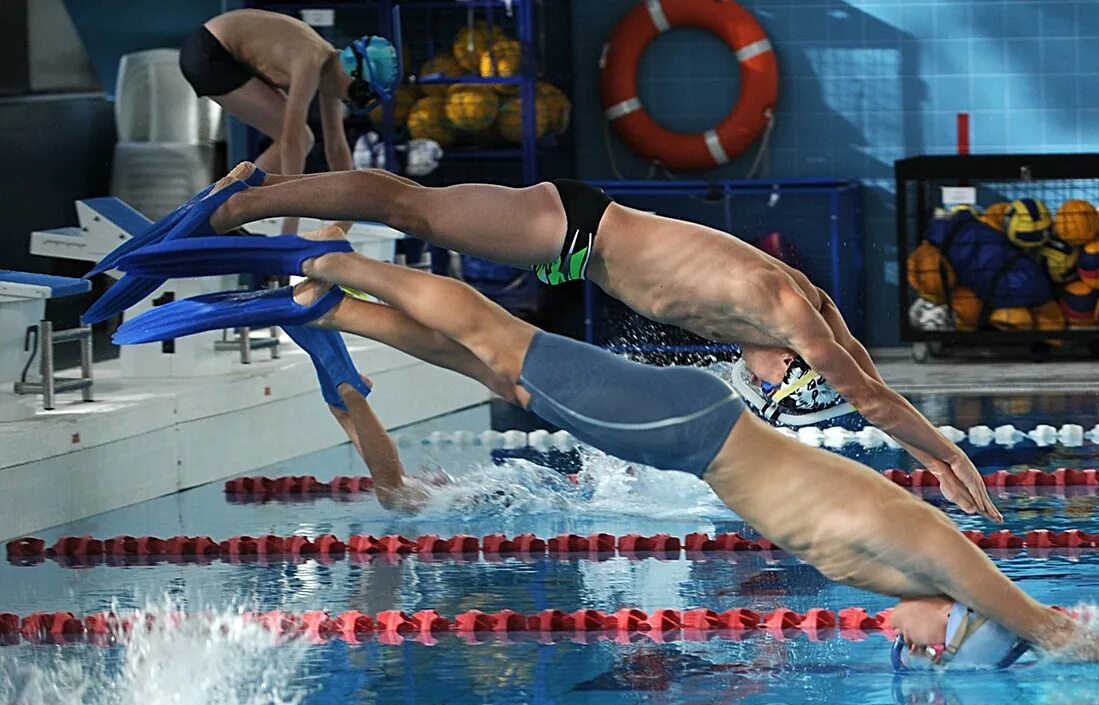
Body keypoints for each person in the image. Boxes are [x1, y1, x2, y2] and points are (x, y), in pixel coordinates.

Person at [129, 226, 1099, 671]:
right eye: (931, 652)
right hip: (685, 429)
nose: (906, 652)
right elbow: (1050, 629)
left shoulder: (892, 581)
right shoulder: (938, 558)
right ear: (959, 627)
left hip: (682, 432)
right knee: (505, 346)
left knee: (497, 373)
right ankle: (330, 263)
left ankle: (330, 302)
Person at [190, 163, 1002, 521]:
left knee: (432, 237)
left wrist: (932, 448)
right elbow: (866, 392)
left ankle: (321, 267)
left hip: (581, 241)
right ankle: (249, 204)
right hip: (578, 226)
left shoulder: (806, 320)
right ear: (790, 366)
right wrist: (943, 457)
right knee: (417, 209)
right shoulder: (787, 314)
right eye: (775, 387)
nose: (754, 386)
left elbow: (859, 364)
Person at [177, 14, 399, 233]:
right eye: (360, 94)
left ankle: (228, 206)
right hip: (210, 52)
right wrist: (291, 222)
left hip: (220, 49)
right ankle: (224, 208)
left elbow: (336, 147)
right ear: (352, 74)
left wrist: (349, 212)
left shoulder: (330, 68)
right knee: (300, 138)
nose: (352, 101)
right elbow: (291, 141)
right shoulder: (310, 61)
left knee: (304, 138)